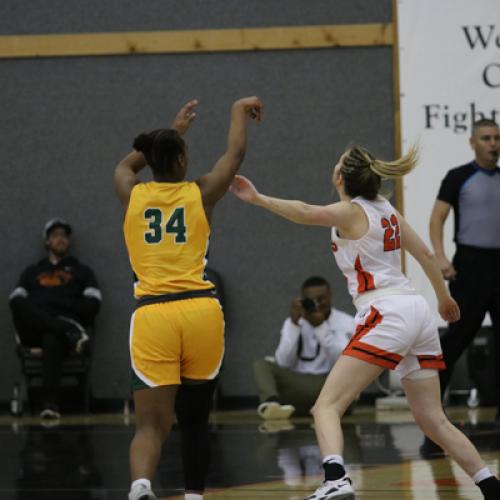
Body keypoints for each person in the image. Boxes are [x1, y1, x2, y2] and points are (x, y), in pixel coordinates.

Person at [229, 145, 500, 499]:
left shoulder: (349, 211)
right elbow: (425, 254)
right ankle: (489, 485)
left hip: (386, 312)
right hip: (417, 312)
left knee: (326, 406)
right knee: (433, 418)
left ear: (339, 177)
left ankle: (336, 479)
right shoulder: (386, 210)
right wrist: (444, 298)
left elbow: (305, 211)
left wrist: (259, 198)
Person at [113, 96, 262, 500]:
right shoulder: (201, 193)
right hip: (199, 310)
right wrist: (237, 109)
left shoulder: (133, 193)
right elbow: (236, 153)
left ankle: (141, 486)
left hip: (152, 315)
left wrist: (172, 131)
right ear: (180, 162)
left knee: (150, 425)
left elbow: (126, 165)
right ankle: (194, 496)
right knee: (195, 420)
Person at [429, 118, 500, 414]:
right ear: (472, 143)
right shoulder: (458, 177)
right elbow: (437, 219)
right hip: (469, 265)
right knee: (458, 335)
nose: (493, 144)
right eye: (485, 138)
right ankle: (433, 403)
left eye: (497, 138)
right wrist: (442, 259)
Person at [9, 218, 102, 419]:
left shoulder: (81, 272)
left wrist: (51, 305)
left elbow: (93, 305)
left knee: (52, 335)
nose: (60, 239)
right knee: (21, 306)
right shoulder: (32, 272)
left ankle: (49, 405)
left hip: (58, 338)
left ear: (69, 241)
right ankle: (67, 329)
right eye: (55, 235)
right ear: (47, 241)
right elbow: (16, 302)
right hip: (37, 330)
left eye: (64, 235)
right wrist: (56, 313)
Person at [254, 276, 355, 419]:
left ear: (330, 296)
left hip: (329, 384)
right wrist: (294, 325)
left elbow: (343, 364)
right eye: (311, 301)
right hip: (298, 383)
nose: (317, 304)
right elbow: (283, 362)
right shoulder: (295, 321)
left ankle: (329, 409)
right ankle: (272, 405)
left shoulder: (347, 322)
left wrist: (321, 328)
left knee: (351, 370)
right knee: (262, 364)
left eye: (321, 299)